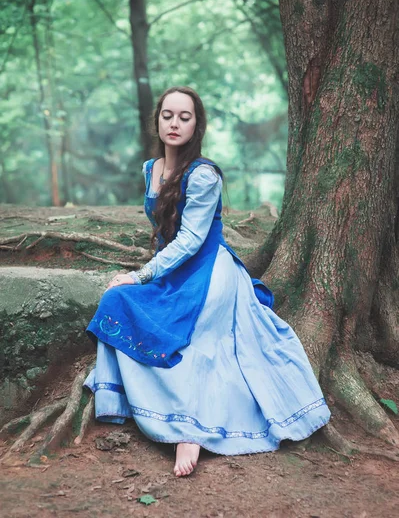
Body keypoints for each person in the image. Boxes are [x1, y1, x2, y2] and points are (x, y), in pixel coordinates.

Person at [84, 86, 330, 477]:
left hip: (210, 270)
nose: (175, 123)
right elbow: (165, 235)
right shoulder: (151, 169)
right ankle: (115, 400)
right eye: (168, 115)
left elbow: (190, 241)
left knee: (200, 338)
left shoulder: (204, 175)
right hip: (172, 272)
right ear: (157, 121)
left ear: (197, 124)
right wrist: (142, 277)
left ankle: (190, 429)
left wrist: (140, 273)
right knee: (115, 302)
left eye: (185, 116)